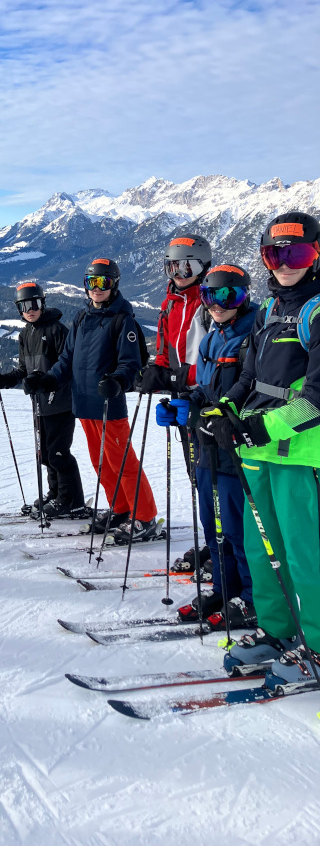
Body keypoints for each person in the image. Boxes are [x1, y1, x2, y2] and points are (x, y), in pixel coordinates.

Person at [199, 213, 320, 686]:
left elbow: (316, 398)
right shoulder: (269, 311)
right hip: (259, 453)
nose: (285, 264)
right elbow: (250, 377)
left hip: (300, 454)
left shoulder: (316, 311)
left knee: (302, 553)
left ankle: (317, 641)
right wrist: (226, 410)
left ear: (316, 255)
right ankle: (278, 631)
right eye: (275, 254)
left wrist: (261, 428)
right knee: (262, 547)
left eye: (298, 253)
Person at [24, 259, 157, 543]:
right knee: (102, 463)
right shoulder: (82, 317)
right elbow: (66, 358)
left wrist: (118, 381)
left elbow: (130, 363)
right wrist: (49, 379)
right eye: (91, 283)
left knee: (122, 462)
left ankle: (145, 517)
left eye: (103, 283)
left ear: (114, 284)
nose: (97, 289)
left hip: (109, 404)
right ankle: (121, 509)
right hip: (83, 404)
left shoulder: (123, 320)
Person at [156, 264, 257, 629]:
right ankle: (223, 588)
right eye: (211, 296)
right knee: (211, 524)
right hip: (205, 443)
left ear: (245, 297)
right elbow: (207, 387)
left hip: (231, 448)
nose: (219, 304)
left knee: (235, 528)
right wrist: (182, 402)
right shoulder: (213, 336)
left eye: (230, 295)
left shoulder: (250, 336)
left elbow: (246, 393)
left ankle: (250, 598)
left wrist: (208, 410)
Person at [0, 280, 85, 518]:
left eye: (34, 304)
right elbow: (24, 369)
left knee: (58, 453)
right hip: (40, 404)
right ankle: (55, 494)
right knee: (45, 454)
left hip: (61, 402)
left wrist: (44, 381)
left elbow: (68, 367)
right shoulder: (26, 334)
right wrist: (6, 380)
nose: (29, 310)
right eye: (24, 306)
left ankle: (70, 500)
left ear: (43, 303)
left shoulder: (57, 330)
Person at [139, 234, 211, 394]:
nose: (178, 275)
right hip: (179, 390)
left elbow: (217, 362)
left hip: (206, 392)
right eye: (172, 268)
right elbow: (164, 352)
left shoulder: (210, 306)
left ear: (203, 268)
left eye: (187, 268)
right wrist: (156, 375)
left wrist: (174, 378)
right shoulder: (169, 305)